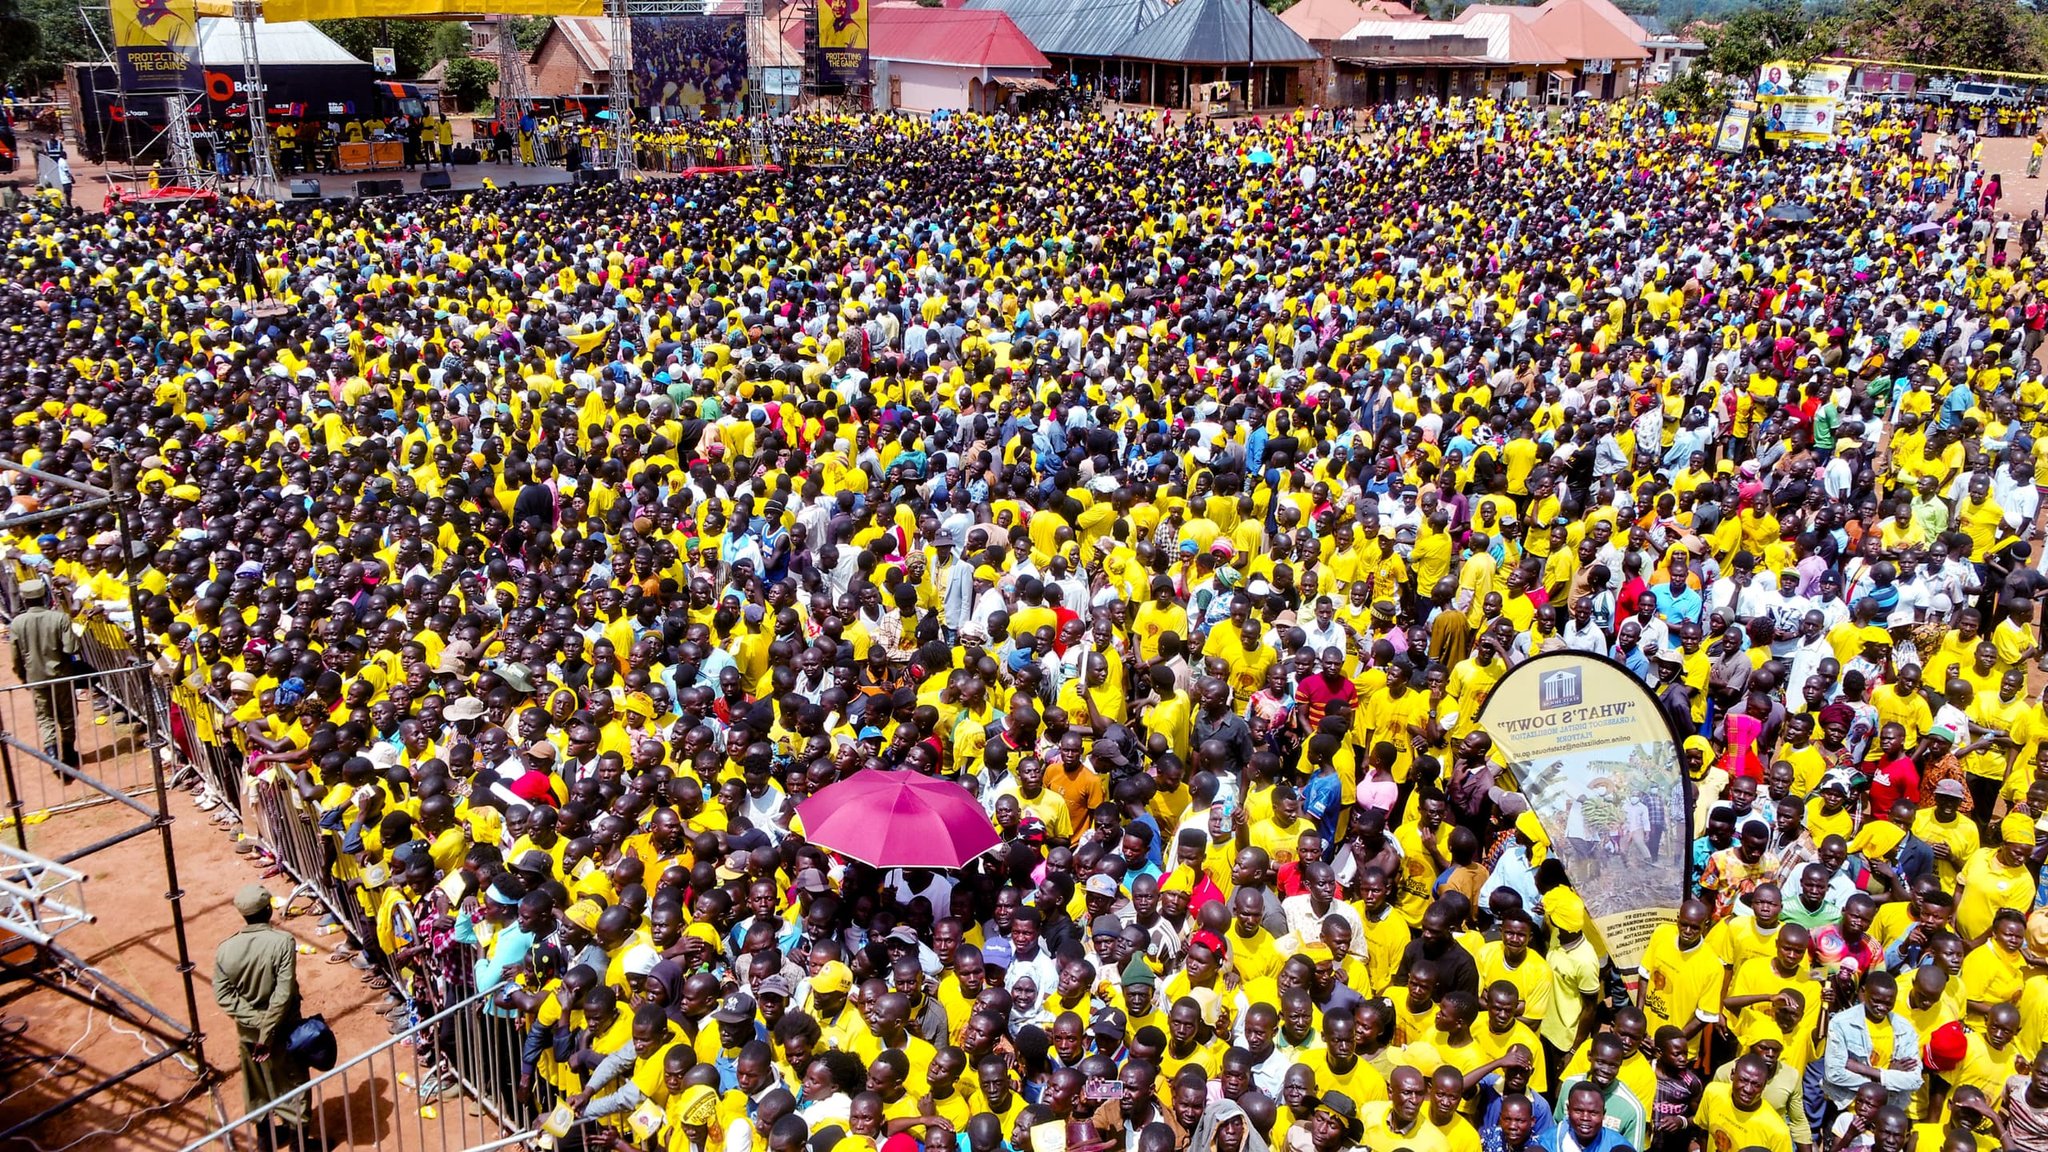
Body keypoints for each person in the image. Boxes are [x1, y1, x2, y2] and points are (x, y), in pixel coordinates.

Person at [213, 884, 310, 1145]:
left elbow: (224, 996)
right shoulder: (282, 942)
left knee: (256, 1084)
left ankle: (266, 1140)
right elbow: (283, 994)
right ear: (268, 910)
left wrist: (255, 1023)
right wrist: (267, 1028)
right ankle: (299, 1144)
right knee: (293, 1082)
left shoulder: (225, 949)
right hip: (282, 1030)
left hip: (248, 1034)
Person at [10, 577, 78, 771]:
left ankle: (54, 758)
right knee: (67, 715)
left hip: (36, 676)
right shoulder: (59, 618)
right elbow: (71, 648)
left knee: (45, 717)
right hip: (61, 675)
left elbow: (15, 656)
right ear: (44, 596)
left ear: (24, 600)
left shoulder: (17, 623)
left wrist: (22, 676)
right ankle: (68, 752)